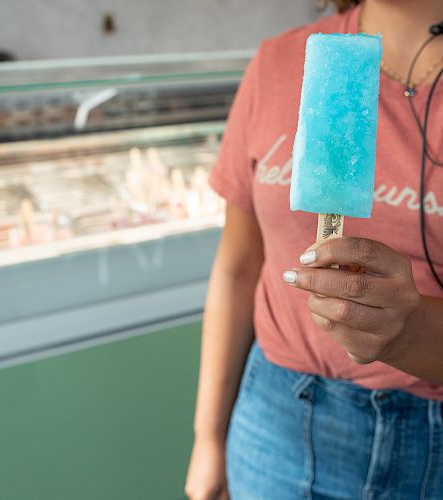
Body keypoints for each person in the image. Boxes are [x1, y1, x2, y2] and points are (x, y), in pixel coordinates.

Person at [185, 0, 443, 498]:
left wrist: (410, 330)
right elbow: (239, 267)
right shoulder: (279, 61)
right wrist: (207, 437)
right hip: (274, 422)